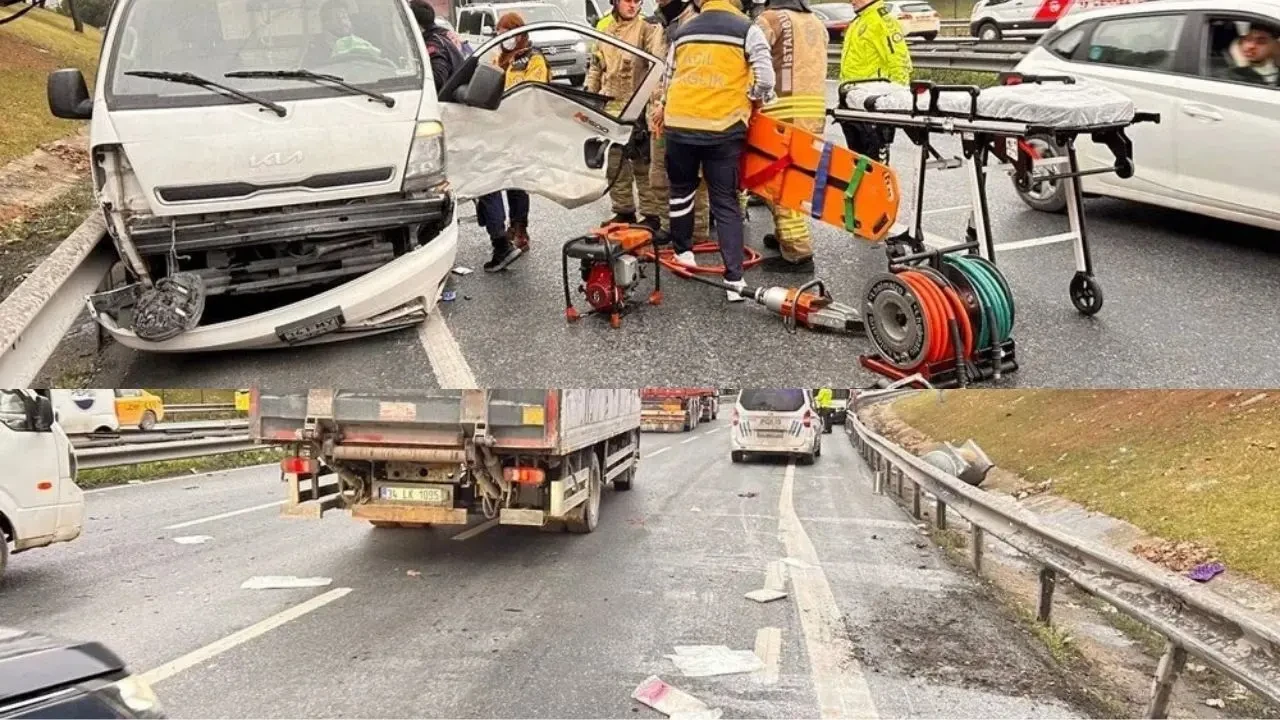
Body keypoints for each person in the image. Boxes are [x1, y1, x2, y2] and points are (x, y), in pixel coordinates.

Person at [654, 0, 775, 302]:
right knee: (725, 200)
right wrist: (751, 98)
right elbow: (766, 79)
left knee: (681, 189)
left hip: (679, 124)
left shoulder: (684, 30)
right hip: (723, 127)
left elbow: (668, 79)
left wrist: (665, 109)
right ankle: (734, 279)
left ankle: (683, 254)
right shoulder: (748, 30)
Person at [753, 0, 827, 274]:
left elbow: (753, 60)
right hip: (813, 112)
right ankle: (785, 236)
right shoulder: (816, 21)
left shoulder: (769, 19)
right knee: (795, 177)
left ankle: (797, 253)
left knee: (777, 180)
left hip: (782, 111)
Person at [588, 0, 665, 231]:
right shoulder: (605, 28)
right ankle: (624, 211)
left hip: (638, 107)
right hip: (610, 106)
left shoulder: (647, 29)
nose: (633, 5)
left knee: (642, 163)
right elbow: (596, 65)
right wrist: (590, 96)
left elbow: (657, 67)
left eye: (637, 1)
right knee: (615, 162)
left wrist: (654, 106)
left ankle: (652, 215)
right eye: (628, 0)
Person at [644, 0, 712, 245]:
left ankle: (698, 231)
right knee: (659, 176)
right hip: (658, 115)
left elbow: (693, 73)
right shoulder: (659, 26)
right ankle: (667, 226)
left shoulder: (695, 22)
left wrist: (667, 104)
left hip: (686, 116)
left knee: (694, 178)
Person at [838, 0, 912, 164]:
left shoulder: (883, 21)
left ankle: (879, 190)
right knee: (857, 163)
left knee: (874, 164)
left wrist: (895, 104)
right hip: (852, 102)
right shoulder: (858, 21)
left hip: (872, 105)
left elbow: (899, 61)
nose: (852, 1)